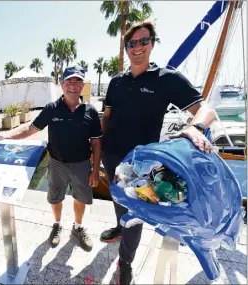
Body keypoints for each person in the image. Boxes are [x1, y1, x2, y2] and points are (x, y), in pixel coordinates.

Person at [99, 19, 215, 285]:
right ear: (126, 47)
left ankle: (125, 262)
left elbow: (206, 110)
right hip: (112, 156)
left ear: (152, 44)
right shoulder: (116, 82)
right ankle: (119, 226)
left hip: (141, 165)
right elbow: (107, 117)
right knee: (119, 204)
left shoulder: (166, 79)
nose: (137, 47)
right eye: (132, 43)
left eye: (143, 42)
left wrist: (195, 128)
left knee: (136, 215)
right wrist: (100, 149)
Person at [0, 66, 102, 251]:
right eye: (69, 81)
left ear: (82, 85)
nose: (73, 85)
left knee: (81, 198)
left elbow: (96, 142)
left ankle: (78, 227)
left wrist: (95, 170)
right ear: (62, 84)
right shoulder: (52, 109)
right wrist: (7, 136)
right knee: (55, 198)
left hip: (81, 164)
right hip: (56, 163)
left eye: (77, 81)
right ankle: (57, 225)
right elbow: (30, 129)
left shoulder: (90, 111)